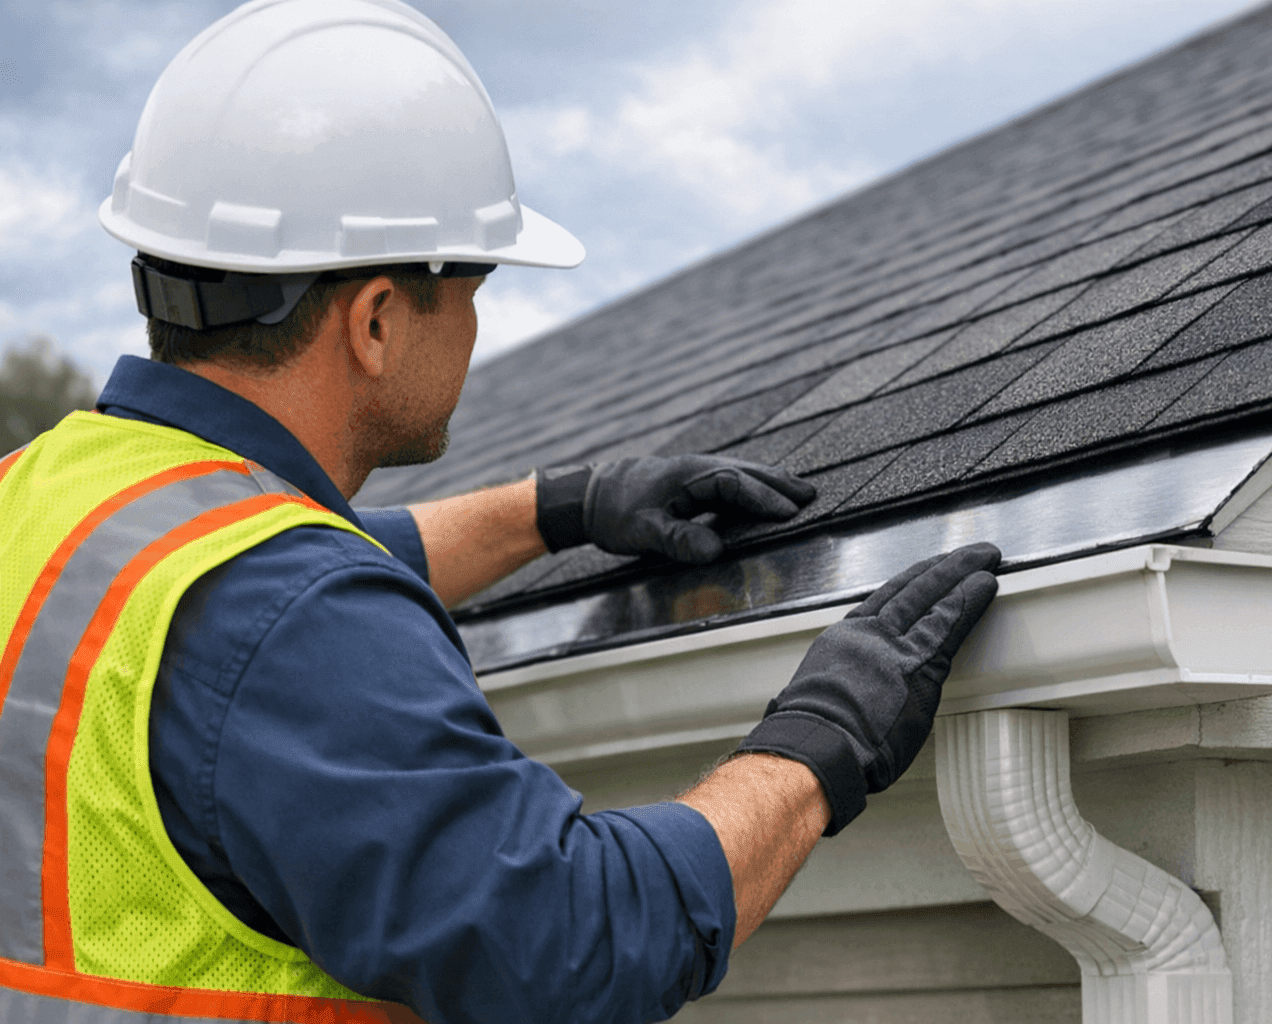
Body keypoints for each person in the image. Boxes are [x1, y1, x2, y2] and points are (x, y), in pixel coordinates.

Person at [0, 2, 1002, 1022]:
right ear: (378, 319)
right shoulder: (287, 608)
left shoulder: (48, 495)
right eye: (473, 283)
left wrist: (562, 509)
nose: (478, 324)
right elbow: (571, 938)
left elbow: (290, 576)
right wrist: (816, 743)